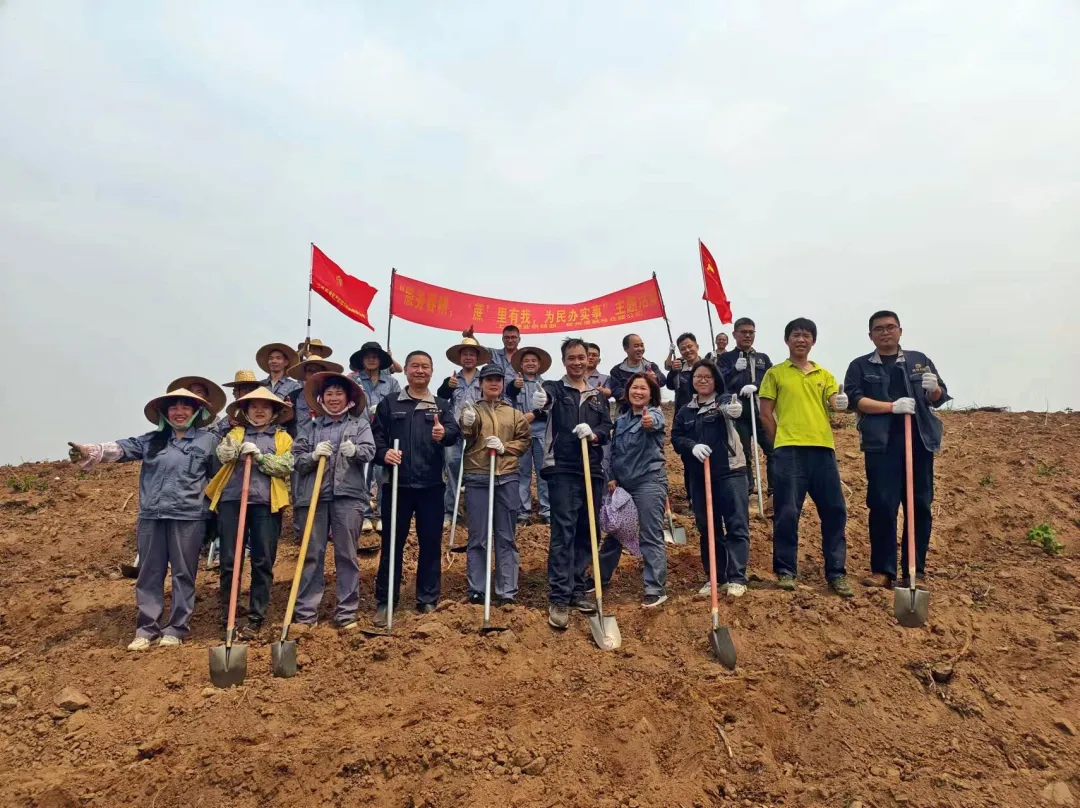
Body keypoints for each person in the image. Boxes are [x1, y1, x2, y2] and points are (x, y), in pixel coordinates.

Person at [67, 388, 220, 650]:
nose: (179, 412)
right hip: (152, 516)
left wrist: (214, 516)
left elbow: (218, 479)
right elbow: (120, 449)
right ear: (164, 413)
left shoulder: (209, 442)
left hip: (189, 517)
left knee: (184, 573)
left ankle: (177, 628)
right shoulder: (152, 440)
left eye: (186, 407)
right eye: (174, 407)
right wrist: (92, 450)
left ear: (196, 412)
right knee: (149, 573)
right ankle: (147, 629)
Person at [844, 310, 950, 589]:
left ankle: (915, 571)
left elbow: (938, 398)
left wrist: (934, 389)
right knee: (882, 505)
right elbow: (856, 400)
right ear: (870, 335)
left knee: (919, 506)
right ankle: (883, 571)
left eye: (890, 327)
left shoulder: (919, 361)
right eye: (879, 329)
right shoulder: (859, 366)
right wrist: (891, 407)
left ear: (900, 331)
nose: (885, 332)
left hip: (919, 442)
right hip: (881, 445)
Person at [758, 318, 853, 597]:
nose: (801, 340)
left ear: (813, 341)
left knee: (835, 512)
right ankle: (786, 571)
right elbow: (765, 413)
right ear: (787, 340)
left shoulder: (824, 374)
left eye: (807, 335)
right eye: (796, 335)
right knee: (787, 512)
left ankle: (836, 573)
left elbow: (834, 402)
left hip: (823, 449)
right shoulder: (776, 373)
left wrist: (841, 403)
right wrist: (779, 443)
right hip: (789, 451)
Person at [371, 351, 461, 624]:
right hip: (396, 486)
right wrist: (384, 453)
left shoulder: (441, 405)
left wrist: (444, 434)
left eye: (425, 366)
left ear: (432, 372)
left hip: (431, 486)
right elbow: (376, 437)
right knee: (392, 543)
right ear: (406, 370)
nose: (420, 370)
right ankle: (386, 600)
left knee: (430, 544)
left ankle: (427, 598)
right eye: (415, 366)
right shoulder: (390, 403)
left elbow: (454, 433)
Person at [532, 337, 613, 630]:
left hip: (592, 469)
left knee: (587, 531)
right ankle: (559, 595)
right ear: (564, 360)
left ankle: (578, 588)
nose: (577, 362)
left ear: (589, 360)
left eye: (582, 357)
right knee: (563, 530)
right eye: (572, 358)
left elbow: (606, 427)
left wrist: (594, 434)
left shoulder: (598, 397)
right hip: (562, 468)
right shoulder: (555, 388)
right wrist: (540, 402)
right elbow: (544, 401)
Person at [204, 387, 293, 639]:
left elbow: (286, 465)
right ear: (245, 411)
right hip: (233, 501)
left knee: (263, 560)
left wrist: (261, 457)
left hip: (266, 503)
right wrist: (229, 451)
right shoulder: (236, 433)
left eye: (265, 407)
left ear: (274, 412)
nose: (259, 411)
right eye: (254, 407)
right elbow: (224, 453)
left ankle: (256, 616)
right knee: (230, 560)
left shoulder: (283, 438)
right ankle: (228, 615)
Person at [291, 372, 376, 631]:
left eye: (339, 393)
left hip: (348, 497)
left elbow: (370, 451)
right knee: (311, 555)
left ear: (348, 398)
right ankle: (305, 614)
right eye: (329, 393)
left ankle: (346, 612)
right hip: (314, 498)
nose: (334, 398)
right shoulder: (310, 428)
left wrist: (356, 451)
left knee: (346, 555)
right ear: (321, 398)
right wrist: (312, 456)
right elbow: (296, 459)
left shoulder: (359, 425)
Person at [671, 361, 749, 597]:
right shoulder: (686, 411)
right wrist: (691, 446)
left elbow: (732, 408)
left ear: (716, 380)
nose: (702, 380)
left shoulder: (723, 401)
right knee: (708, 527)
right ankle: (716, 577)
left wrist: (736, 410)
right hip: (699, 476)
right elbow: (676, 437)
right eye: (698, 376)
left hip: (730, 471)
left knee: (736, 524)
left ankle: (737, 577)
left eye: (707, 376)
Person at [459, 365, 531, 604]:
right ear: (481, 383)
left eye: (498, 380)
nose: (494, 383)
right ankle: (477, 589)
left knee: (506, 536)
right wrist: (466, 423)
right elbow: (466, 434)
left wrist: (505, 447)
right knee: (478, 537)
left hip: (507, 477)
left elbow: (524, 440)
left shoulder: (514, 414)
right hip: (478, 477)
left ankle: (507, 590)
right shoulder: (472, 411)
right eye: (489, 379)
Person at [597, 373, 669, 607]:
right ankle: (599, 578)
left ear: (651, 394)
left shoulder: (654, 414)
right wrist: (612, 477)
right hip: (623, 484)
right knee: (616, 530)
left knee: (650, 534)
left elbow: (654, 422)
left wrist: (648, 421)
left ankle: (655, 588)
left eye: (643, 388)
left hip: (648, 482)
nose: (638, 392)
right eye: (634, 388)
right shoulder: (621, 420)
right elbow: (614, 452)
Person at [717, 317, 775, 499]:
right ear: (735, 334)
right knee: (744, 452)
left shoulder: (762, 358)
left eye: (751, 332)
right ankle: (748, 490)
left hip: (760, 411)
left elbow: (771, 379)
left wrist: (756, 385)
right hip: (739, 412)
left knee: (773, 449)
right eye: (743, 332)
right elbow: (719, 383)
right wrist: (734, 369)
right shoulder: (725, 358)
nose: (748, 335)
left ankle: (774, 490)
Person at [348, 341, 402, 536]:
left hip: (383, 434)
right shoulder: (352, 380)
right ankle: (364, 514)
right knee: (362, 474)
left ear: (381, 360)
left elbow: (398, 405)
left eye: (375, 356)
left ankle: (379, 515)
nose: (371, 360)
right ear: (362, 359)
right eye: (367, 356)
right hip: (359, 432)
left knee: (382, 475)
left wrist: (382, 411)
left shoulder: (392, 382)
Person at [437, 335, 491, 523]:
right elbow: (441, 398)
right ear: (460, 358)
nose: (468, 358)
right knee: (452, 470)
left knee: (478, 472)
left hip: (478, 434)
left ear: (477, 358)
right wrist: (447, 387)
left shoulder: (484, 379)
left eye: (472, 354)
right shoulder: (452, 379)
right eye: (465, 354)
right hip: (455, 434)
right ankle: (451, 512)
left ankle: (476, 514)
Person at [509, 346, 551, 525]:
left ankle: (547, 511)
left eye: (534, 361)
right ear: (521, 365)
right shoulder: (514, 384)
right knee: (522, 473)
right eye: (526, 361)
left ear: (540, 364)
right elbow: (507, 401)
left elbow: (551, 408)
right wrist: (513, 387)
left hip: (542, 433)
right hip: (521, 434)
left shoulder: (547, 385)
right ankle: (523, 513)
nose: (530, 363)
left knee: (544, 473)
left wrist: (535, 414)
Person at [664, 332, 700, 509]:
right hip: (685, 420)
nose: (687, 350)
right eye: (683, 348)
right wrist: (673, 370)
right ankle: (693, 498)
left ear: (697, 346)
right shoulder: (678, 369)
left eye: (690, 346)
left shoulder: (707, 366)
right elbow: (669, 384)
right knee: (689, 460)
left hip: (706, 418)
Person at [283, 353, 345, 438]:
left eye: (318, 370)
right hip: (299, 443)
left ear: (324, 373)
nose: (314, 374)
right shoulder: (293, 396)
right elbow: (284, 424)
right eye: (310, 371)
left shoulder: (334, 397)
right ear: (305, 374)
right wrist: (285, 414)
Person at [607, 333, 666, 411]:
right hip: (625, 412)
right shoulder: (617, 370)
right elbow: (616, 391)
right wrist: (637, 396)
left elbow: (663, 380)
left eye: (642, 345)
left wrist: (655, 379)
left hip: (650, 410)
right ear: (626, 349)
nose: (640, 349)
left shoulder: (651, 366)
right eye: (636, 346)